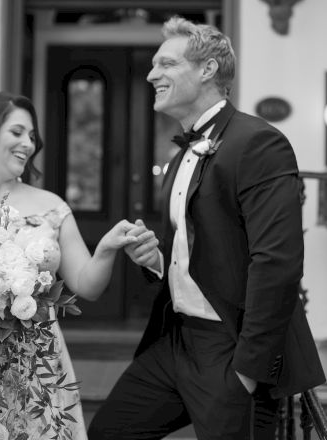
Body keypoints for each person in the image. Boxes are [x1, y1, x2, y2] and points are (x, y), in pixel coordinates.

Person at [88, 16, 326, 440]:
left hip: (231, 348)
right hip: (176, 341)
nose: (151, 74)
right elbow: (202, 248)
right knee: (110, 430)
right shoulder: (181, 154)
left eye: (166, 64)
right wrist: (157, 260)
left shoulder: (257, 142)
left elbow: (277, 263)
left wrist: (249, 373)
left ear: (207, 69)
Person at [0, 91, 145, 439]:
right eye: (17, 132)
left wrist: (106, 249)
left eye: (32, 136)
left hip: (32, 358)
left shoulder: (50, 206)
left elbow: (87, 284)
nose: (28, 144)